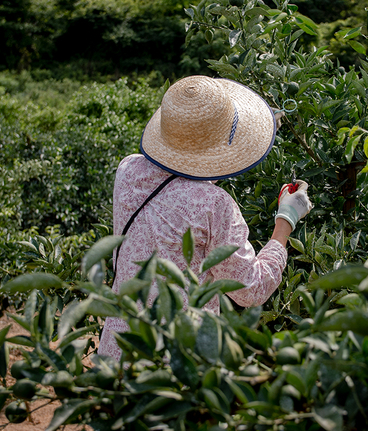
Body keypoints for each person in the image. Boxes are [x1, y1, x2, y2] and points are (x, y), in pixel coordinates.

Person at [98, 75, 313, 359]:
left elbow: (183, 184)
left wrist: (227, 140)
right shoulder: (215, 205)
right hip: (177, 360)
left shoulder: (127, 171)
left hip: (118, 348)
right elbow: (251, 290)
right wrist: (286, 219)